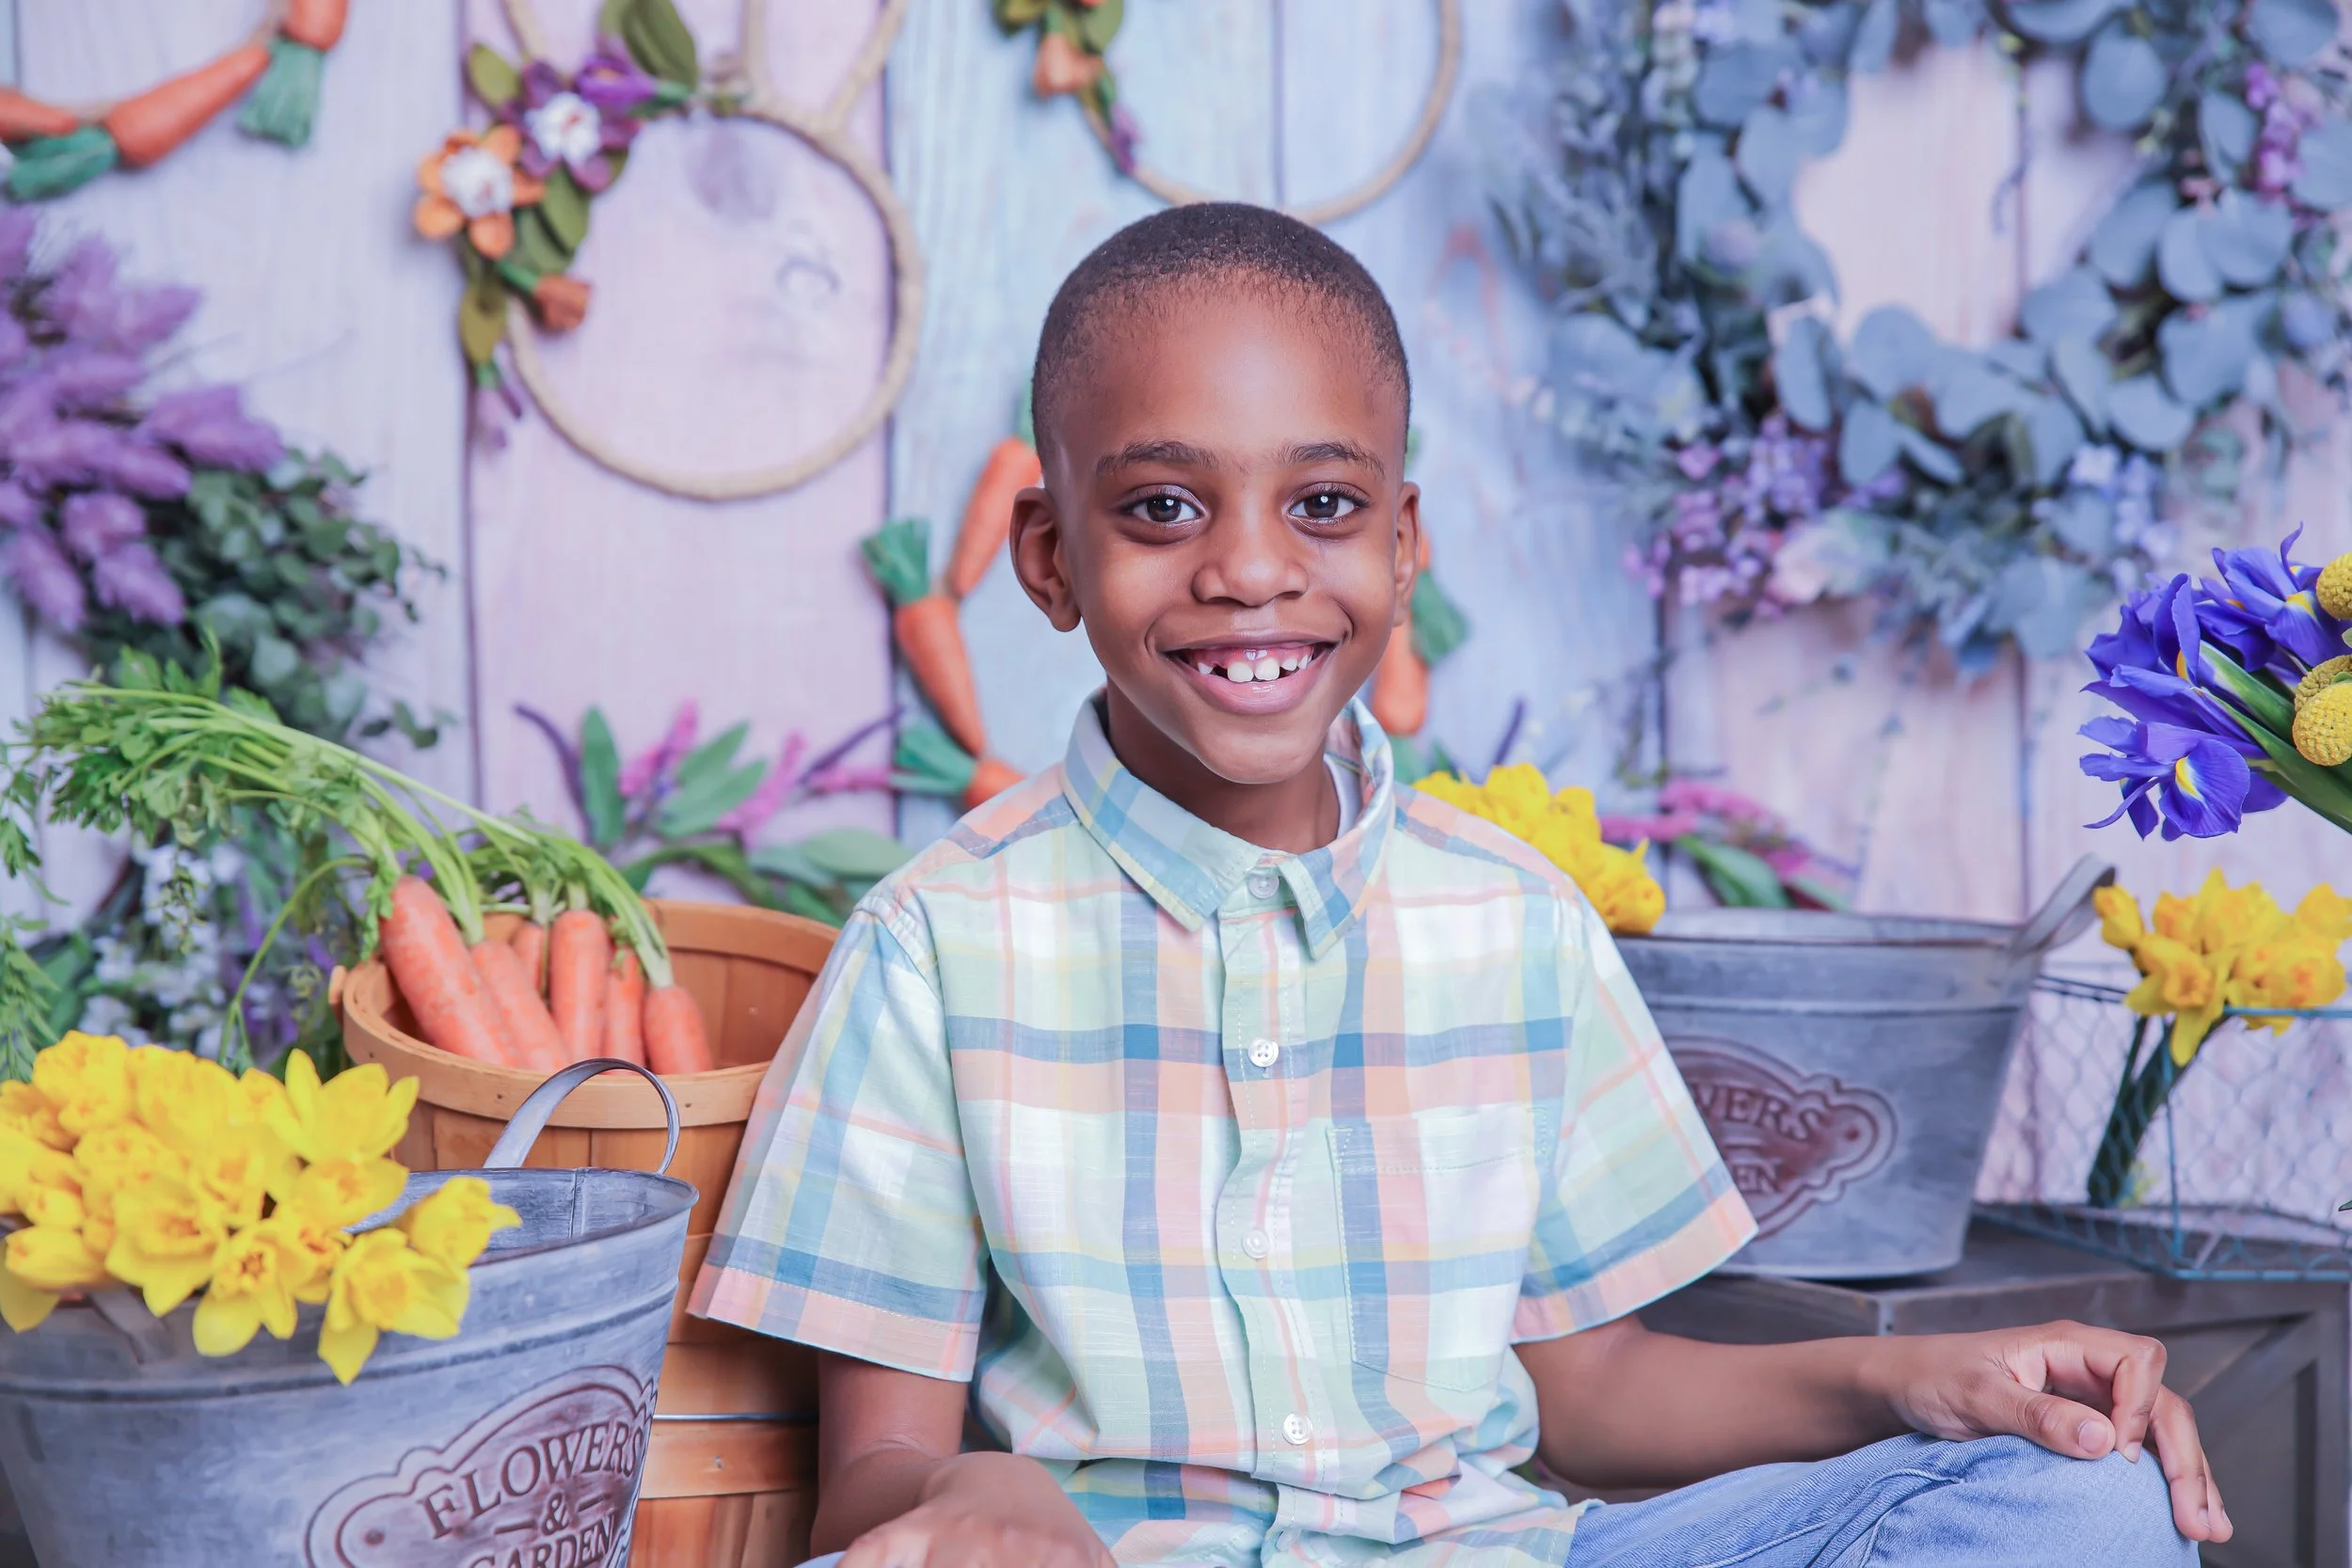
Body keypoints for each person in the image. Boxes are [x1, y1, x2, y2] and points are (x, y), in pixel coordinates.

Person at [688, 202, 2223, 1567]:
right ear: (1048, 556)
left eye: (1323, 505)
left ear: (1403, 542)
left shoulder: (1517, 923)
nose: (1247, 570)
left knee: (2072, 1508)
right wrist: (982, 1489)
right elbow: (869, 1484)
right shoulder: (931, 947)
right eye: (1162, 507)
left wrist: (1915, 1375)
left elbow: (1599, 1389)